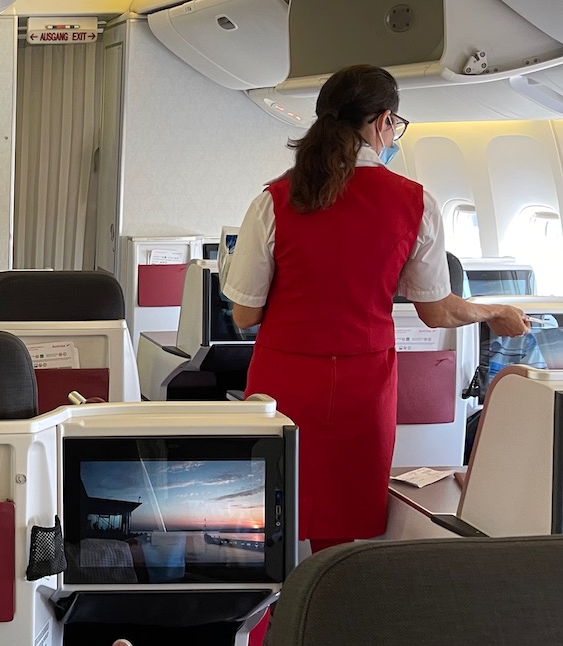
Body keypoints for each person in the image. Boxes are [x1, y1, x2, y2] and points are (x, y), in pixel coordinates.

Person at [221, 64, 528, 554]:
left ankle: (267, 618)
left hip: (284, 381)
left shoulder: (275, 199)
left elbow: (244, 315)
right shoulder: (415, 202)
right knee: (343, 525)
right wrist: (493, 312)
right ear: (383, 121)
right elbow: (437, 312)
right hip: (363, 387)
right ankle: (328, 615)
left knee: (270, 509)